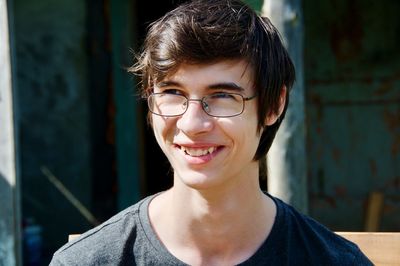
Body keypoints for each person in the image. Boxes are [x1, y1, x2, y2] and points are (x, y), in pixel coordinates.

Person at [50, 0, 372, 265]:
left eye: (222, 96)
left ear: (273, 105)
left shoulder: (336, 261)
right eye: (172, 93)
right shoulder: (88, 261)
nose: (191, 124)